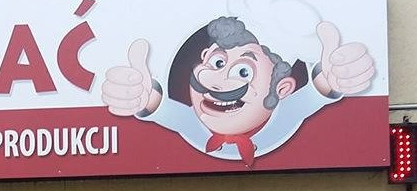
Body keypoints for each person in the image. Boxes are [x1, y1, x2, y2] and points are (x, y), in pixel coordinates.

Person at [101, 11, 375, 166]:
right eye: (217, 62)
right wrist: (138, 95)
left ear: (282, 88)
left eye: (244, 71)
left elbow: (317, 92)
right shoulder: (195, 126)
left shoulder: (284, 117)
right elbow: (160, 107)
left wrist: (337, 75)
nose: (218, 81)